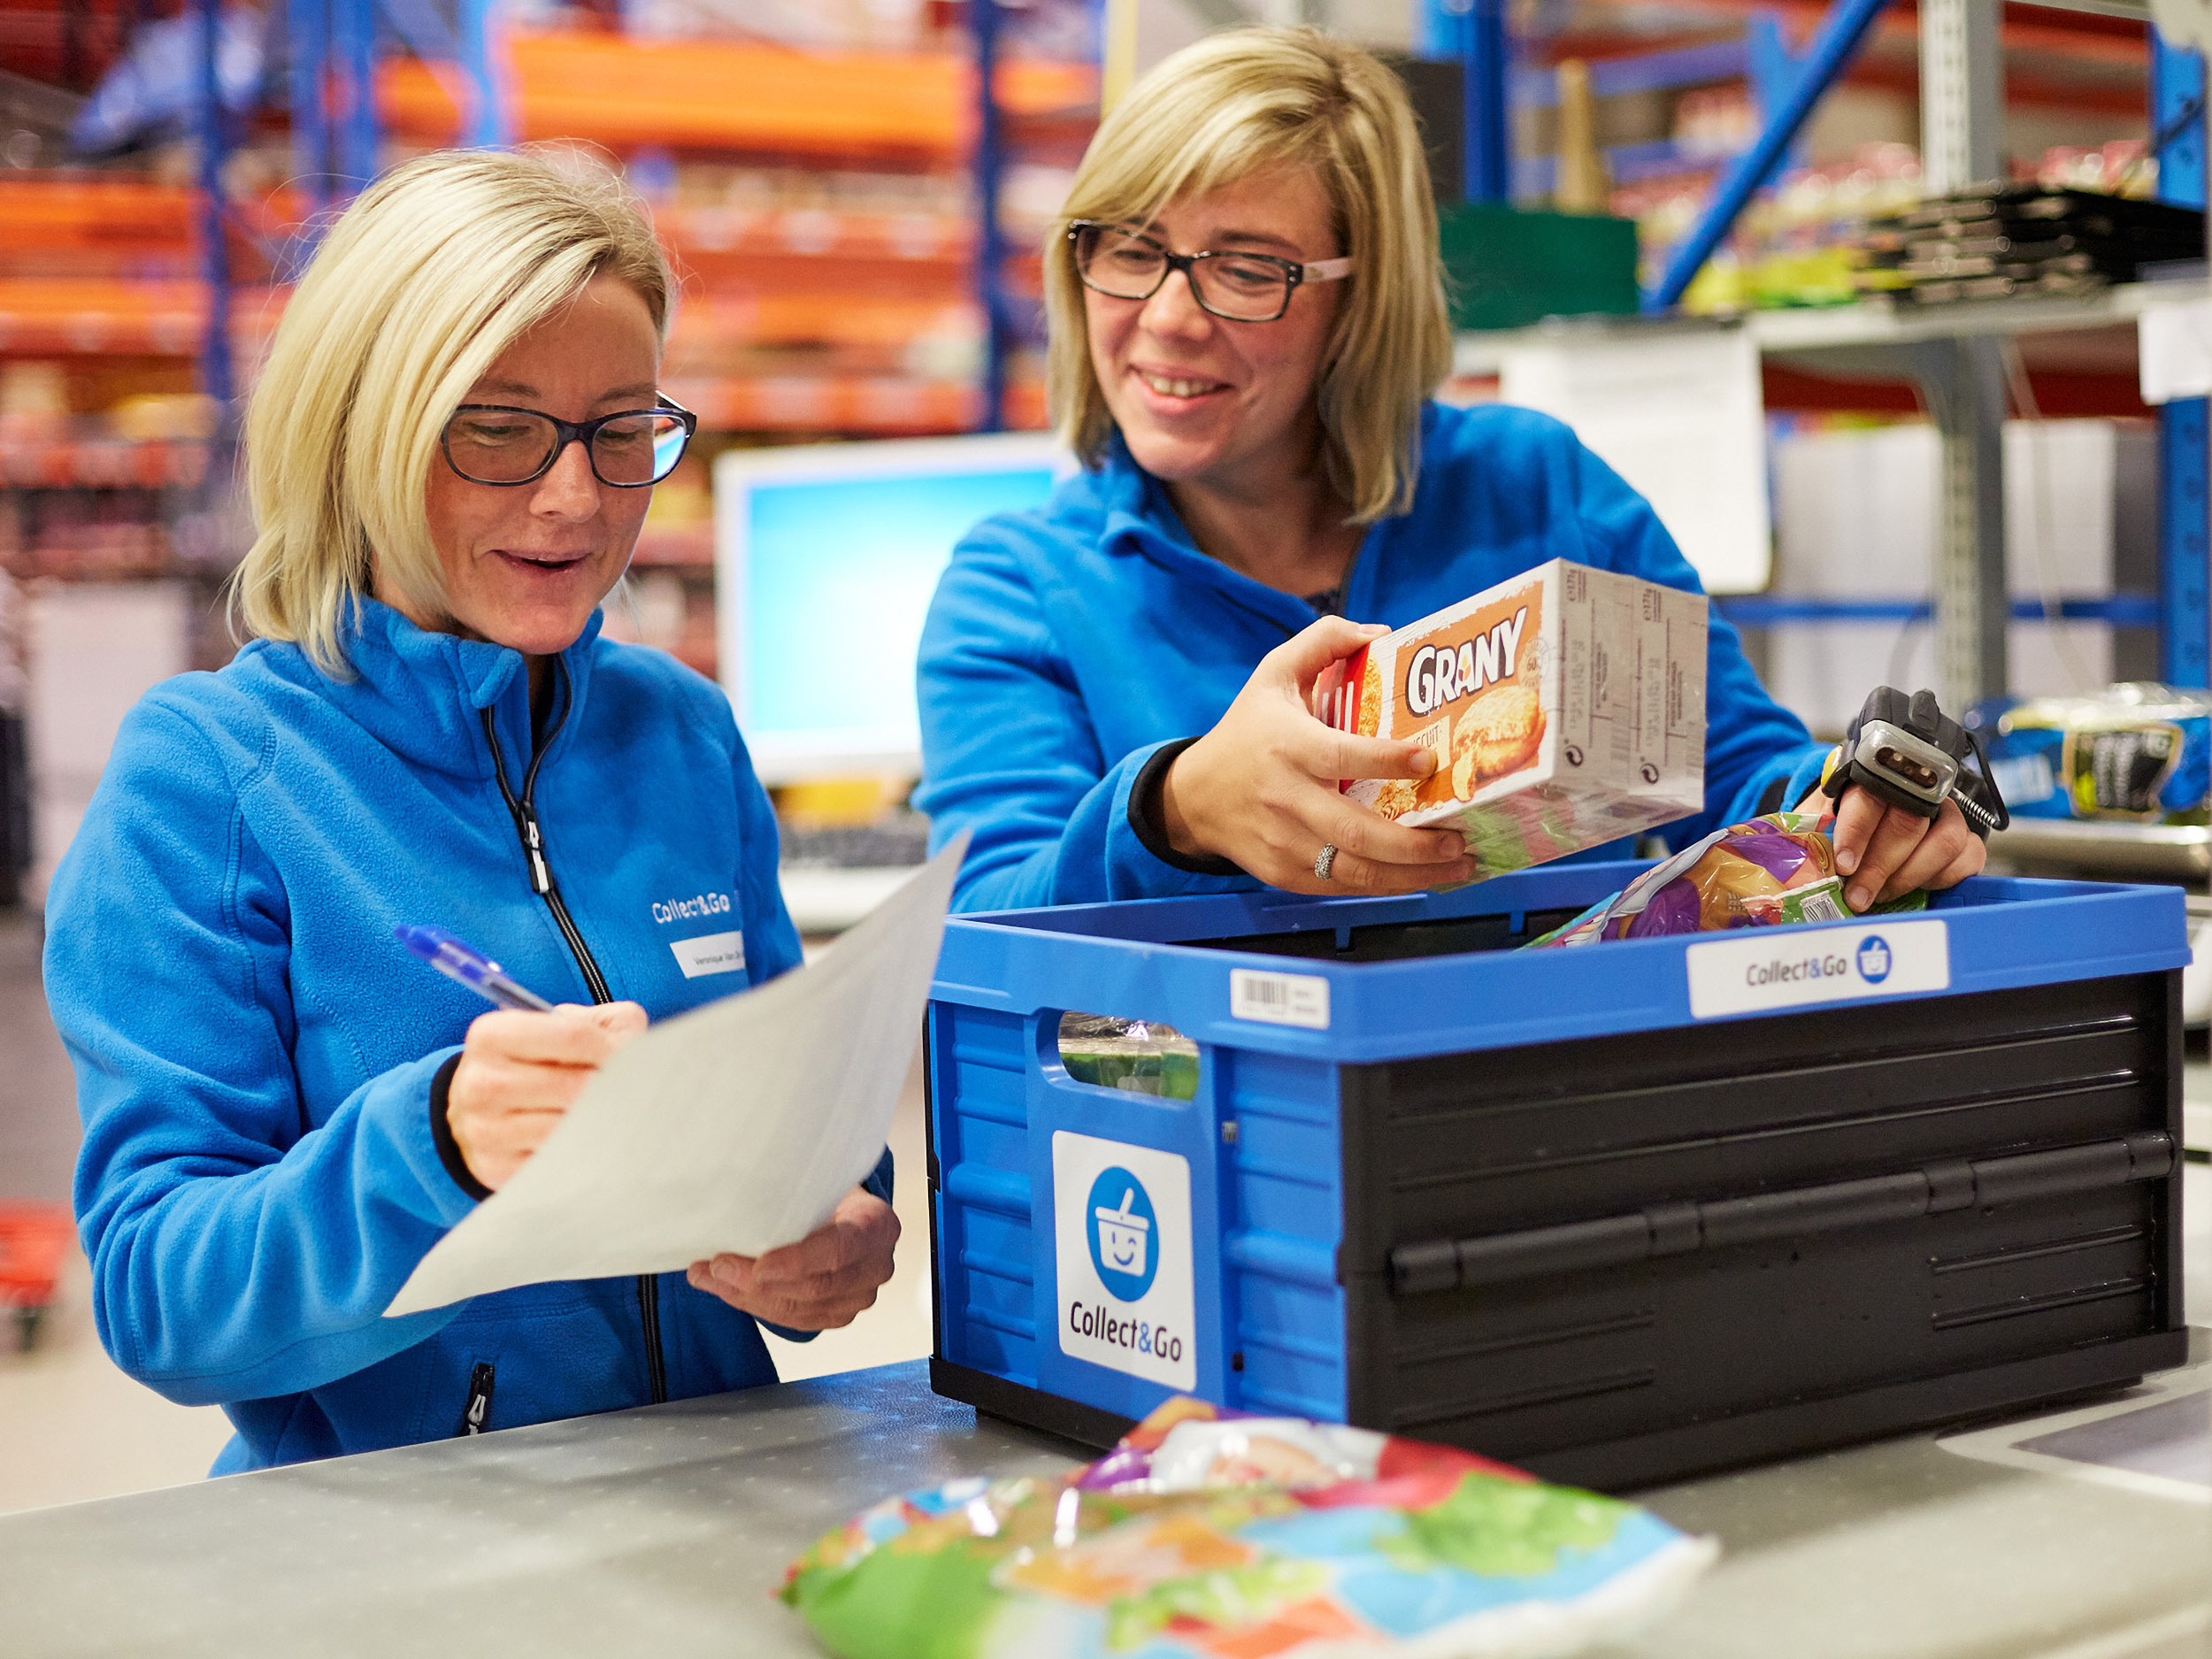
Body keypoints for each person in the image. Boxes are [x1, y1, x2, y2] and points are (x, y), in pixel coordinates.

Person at [42, 150, 897, 1473]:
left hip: (722, 1494)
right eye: (497, 429)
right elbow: (162, 1298)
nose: (576, 498)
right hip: (408, 1541)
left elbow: (800, 1111)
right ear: (363, 429)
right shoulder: (210, 779)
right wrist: (434, 1147)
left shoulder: (681, 731)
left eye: (621, 430)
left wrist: (837, 1222)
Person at [916, 27, 1985, 914]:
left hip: (1547, 1072)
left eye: (1244, 269)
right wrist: (1175, 809)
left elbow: (1734, 784)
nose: (1166, 318)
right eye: (1128, 249)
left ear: (1360, 300)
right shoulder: (1020, 585)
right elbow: (981, 923)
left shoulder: (1538, 491)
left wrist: (1869, 801)